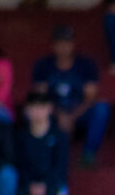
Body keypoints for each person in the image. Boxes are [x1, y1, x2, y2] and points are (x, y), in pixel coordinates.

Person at [33, 25, 107, 166]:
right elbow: (39, 97)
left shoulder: (86, 64)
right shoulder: (43, 65)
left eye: (67, 43)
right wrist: (60, 116)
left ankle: (88, 155)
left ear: (73, 44)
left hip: (79, 112)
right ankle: (42, 158)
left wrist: (71, 118)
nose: (63, 47)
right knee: (32, 111)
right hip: (53, 113)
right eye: (59, 43)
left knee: (101, 108)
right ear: (53, 45)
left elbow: (90, 97)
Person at [10, 86, 69, 195]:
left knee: (58, 189)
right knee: (13, 184)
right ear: (27, 110)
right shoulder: (20, 136)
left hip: (51, 183)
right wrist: (31, 185)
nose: (37, 112)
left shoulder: (59, 136)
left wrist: (44, 185)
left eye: (41, 107)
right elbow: (18, 164)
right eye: (33, 108)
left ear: (49, 109)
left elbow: (61, 167)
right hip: (26, 183)